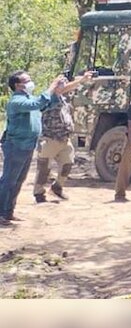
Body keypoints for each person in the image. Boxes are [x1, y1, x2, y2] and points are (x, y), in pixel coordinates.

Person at [2, 70, 91, 226]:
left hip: (27, 145)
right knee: (9, 180)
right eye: (27, 80)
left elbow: (50, 100)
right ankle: (2, 213)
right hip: (16, 145)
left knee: (18, 180)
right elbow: (38, 103)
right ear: (17, 85)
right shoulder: (16, 101)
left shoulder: (30, 98)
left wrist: (62, 88)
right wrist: (51, 86)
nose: (30, 82)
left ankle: (8, 213)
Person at [32, 69, 95, 203]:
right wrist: (79, 80)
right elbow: (62, 89)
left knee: (67, 164)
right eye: (61, 84)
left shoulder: (61, 97)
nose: (65, 86)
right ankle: (39, 193)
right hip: (50, 138)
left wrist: (82, 80)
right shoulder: (50, 97)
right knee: (44, 169)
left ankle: (57, 187)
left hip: (64, 139)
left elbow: (67, 88)